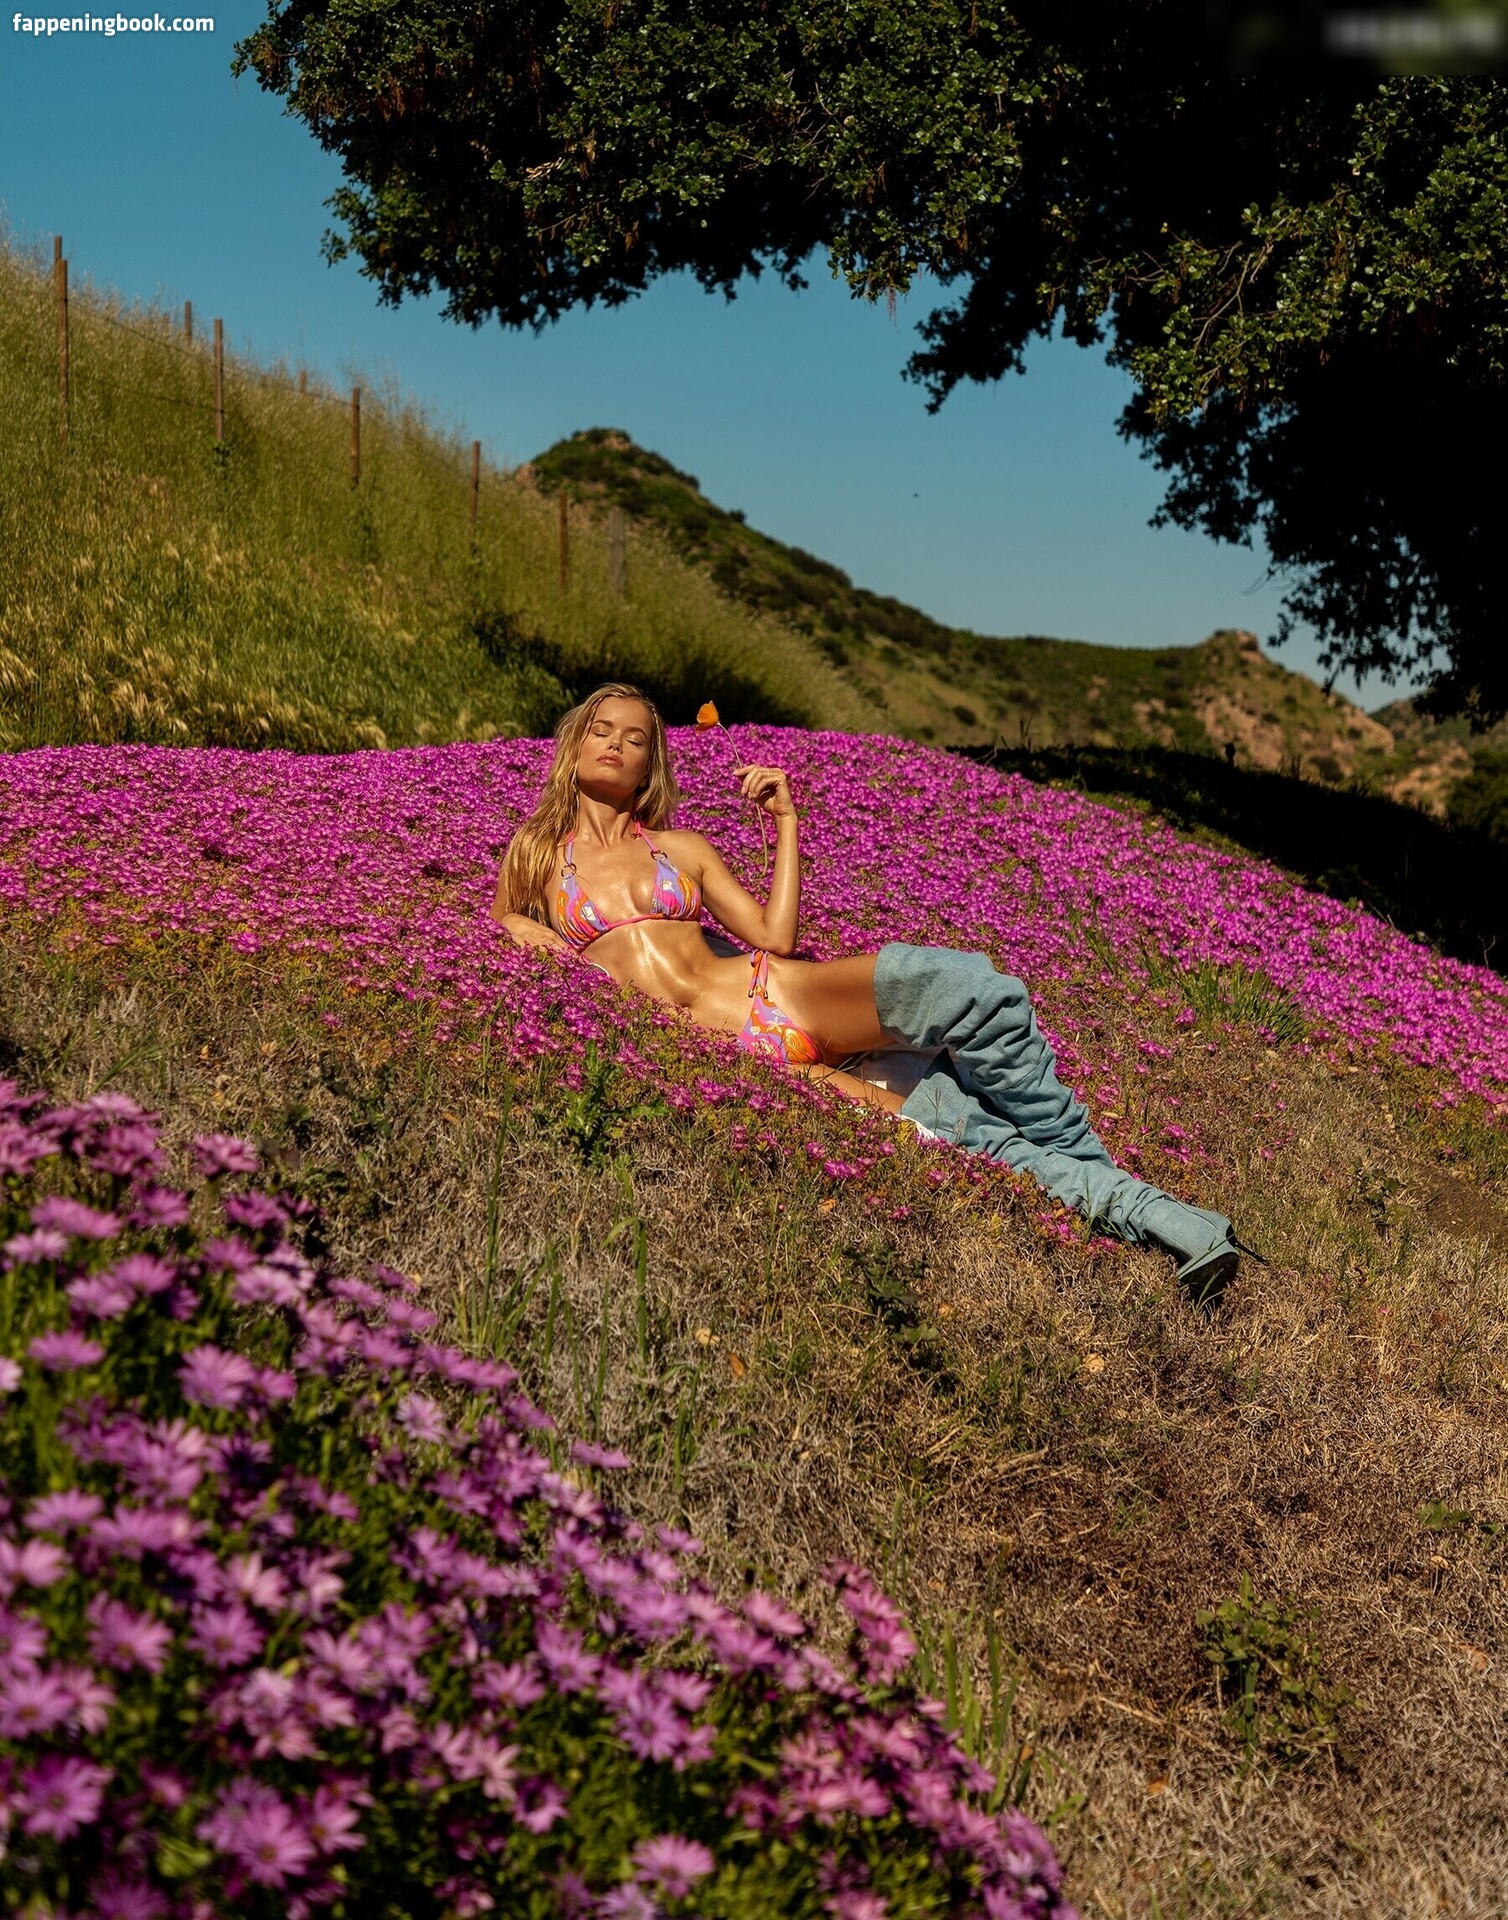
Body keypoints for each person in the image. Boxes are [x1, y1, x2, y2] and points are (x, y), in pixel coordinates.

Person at [491, 682, 1260, 1297]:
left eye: (635, 738)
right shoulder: (535, 854)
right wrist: (528, 931)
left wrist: (786, 820)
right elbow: (501, 922)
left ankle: (1116, 1183)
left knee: (972, 987)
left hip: (772, 991)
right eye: (603, 729)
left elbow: (774, 936)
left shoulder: (679, 847)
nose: (617, 743)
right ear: (575, 744)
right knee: (965, 1140)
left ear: (649, 765)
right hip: (749, 1061)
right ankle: (1175, 1226)